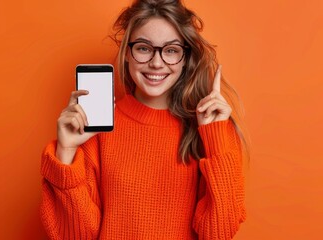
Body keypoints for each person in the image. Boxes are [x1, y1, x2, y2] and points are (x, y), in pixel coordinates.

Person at [40, 0, 248, 239]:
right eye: (143, 48)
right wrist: (66, 152)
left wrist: (215, 139)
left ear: (184, 58)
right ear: (127, 52)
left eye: (170, 50)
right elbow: (75, 236)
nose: (156, 62)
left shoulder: (211, 130)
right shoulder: (95, 127)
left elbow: (219, 233)